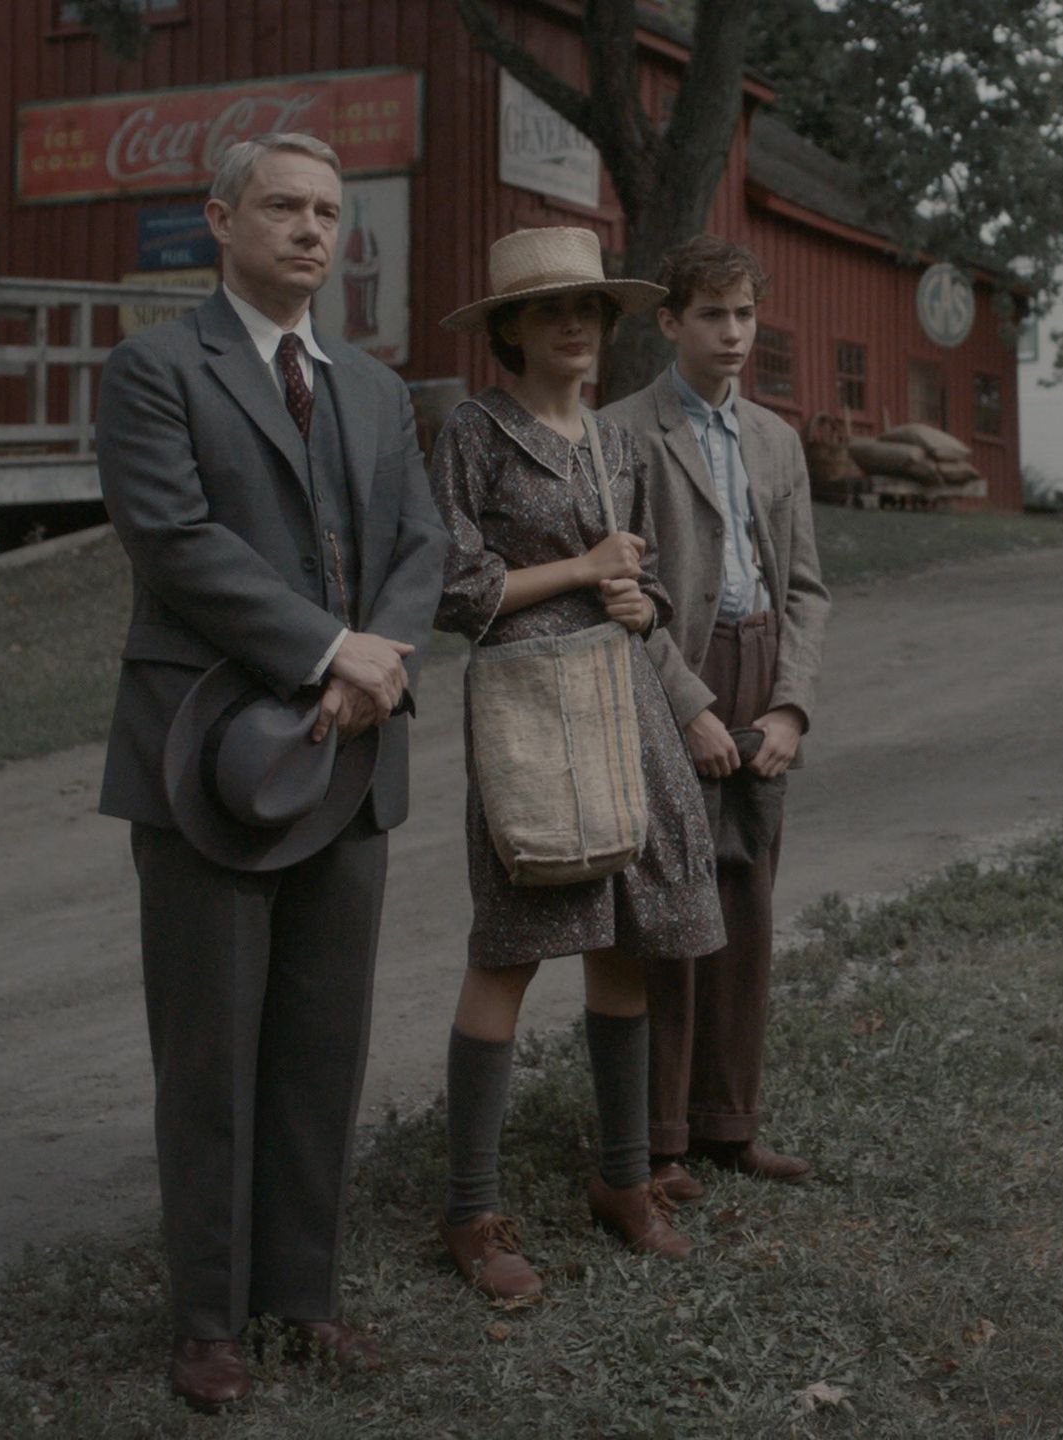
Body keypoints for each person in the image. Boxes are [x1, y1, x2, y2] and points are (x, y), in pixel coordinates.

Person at [94, 132, 447, 1411]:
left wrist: (377, 660)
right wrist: (325, 645)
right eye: (285, 207)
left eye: (330, 213)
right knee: (209, 1053)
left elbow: (423, 541)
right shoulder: (151, 370)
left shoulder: (371, 385)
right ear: (220, 220)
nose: (313, 231)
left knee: (321, 1044)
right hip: (205, 753)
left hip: (351, 749)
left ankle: (304, 1298)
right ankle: (206, 1321)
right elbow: (174, 541)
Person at [430, 227, 727, 1297]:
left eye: (591, 308)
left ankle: (620, 1178)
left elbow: (630, 586)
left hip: (621, 698)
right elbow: (455, 594)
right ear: (509, 327)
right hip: (528, 710)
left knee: (629, 939)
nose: (575, 323)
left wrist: (630, 594)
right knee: (511, 945)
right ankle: (471, 1212)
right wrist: (582, 568)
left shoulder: (616, 443)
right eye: (552, 308)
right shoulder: (474, 432)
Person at [602, 235, 830, 1201]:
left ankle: (730, 1124)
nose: (732, 334)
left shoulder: (775, 440)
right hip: (673, 682)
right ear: (669, 322)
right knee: (670, 909)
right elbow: (620, 595)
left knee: (747, 908)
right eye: (711, 315)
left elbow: (809, 588)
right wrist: (687, 705)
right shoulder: (623, 432)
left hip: (759, 668)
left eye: (745, 316)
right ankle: (658, 1141)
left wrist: (790, 706)